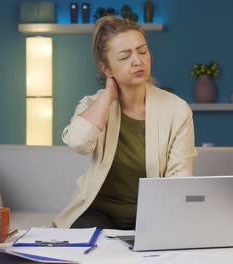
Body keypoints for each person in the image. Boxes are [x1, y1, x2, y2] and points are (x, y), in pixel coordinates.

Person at [54, 16, 196, 229]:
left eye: (142, 51)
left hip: (153, 212)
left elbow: (179, 178)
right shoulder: (92, 105)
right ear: (106, 69)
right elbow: (78, 143)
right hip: (98, 212)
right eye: (124, 56)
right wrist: (108, 94)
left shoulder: (177, 109)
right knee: (96, 249)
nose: (138, 61)